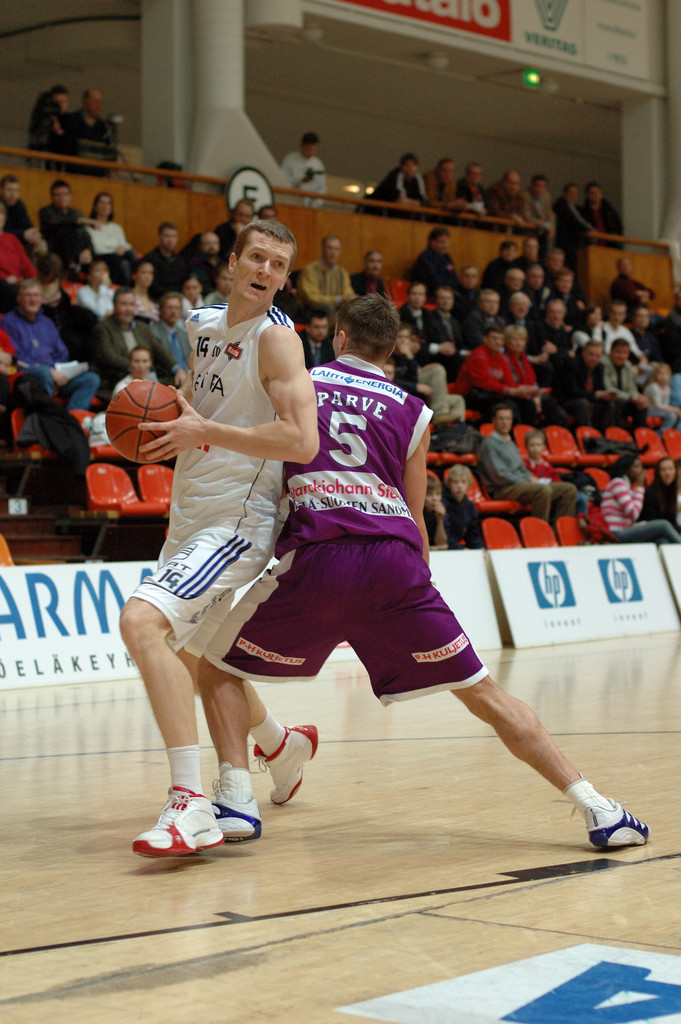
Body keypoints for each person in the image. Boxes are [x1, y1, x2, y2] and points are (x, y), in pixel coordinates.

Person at [192, 295, 647, 853]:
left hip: (319, 556)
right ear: (390, 351)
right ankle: (598, 807)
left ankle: (237, 800)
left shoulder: (298, 383)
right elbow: (414, 512)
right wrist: (414, 581)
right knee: (485, 694)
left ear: (339, 338)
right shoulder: (413, 409)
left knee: (215, 668)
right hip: (395, 564)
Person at [118, 220, 320, 857]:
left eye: (279, 265)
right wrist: (167, 419)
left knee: (143, 624)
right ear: (232, 263)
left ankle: (190, 803)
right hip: (189, 516)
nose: (266, 271)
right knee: (199, 657)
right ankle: (282, 747)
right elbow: (205, 406)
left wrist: (205, 433)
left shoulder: (278, 340)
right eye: (257, 257)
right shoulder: (201, 326)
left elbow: (302, 440)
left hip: (236, 522)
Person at [1, 280, 100, 410]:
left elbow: (62, 352)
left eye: (36, 295)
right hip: (27, 372)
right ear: (18, 298)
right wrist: (50, 372)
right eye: (28, 295)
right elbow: (15, 357)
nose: (33, 300)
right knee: (43, 373)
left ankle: (71, 418)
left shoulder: (47, 322)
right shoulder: (8, 322)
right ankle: (47, 417)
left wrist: (58, 372)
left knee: (91, 379)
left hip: (54, 373)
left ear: (41, 299)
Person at [478, 403, 576, 521]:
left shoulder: (510, 442)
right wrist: (527, 481)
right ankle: (540, 530)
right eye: (501, 419)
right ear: (493, 421)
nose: (505, 422)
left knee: (569, 490)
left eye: (508, 419)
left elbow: (521, 468)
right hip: (503, 489)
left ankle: (559, 529)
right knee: (542, 490)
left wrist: (531, 478)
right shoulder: (489, 444)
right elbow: (499, 476)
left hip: (520, 485)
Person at [91, 287, 180, 396]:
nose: (128, 309)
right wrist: (138, 366)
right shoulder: (103, 329)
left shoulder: (142, 327)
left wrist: (177, 368)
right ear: (114, 305)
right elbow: (109, 357)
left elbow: (160, 351)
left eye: (132, 304)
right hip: (118, 379)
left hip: (146, 376)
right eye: (124, 304)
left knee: (178, 382)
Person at [600, 454, 681, 545]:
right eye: (637, 467)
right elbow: (633, 514)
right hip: (616, 532)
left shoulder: (627, 487)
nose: (641, 471)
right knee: (663, 525)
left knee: (662, 541)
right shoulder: (618, 483)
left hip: (626, 529)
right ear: (627, 469)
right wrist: (640, 487)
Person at [296, 234, 354, 320]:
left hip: (336, 310)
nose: (333, 253)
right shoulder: (310, 270)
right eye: (330, 248)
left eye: (336, 249)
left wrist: (350, 298)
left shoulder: (342, 272)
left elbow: (347, 293)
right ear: (323, 249)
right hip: (311, 311)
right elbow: (312, 298)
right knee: (328, 307)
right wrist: (338, 299)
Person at [39, 179, 93, 272]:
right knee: (66, 229)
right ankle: (72, 265)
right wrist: (77, 221)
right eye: (58, 195)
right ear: (52, 197)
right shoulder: (46, 211)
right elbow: (55, 223)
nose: (62, 198)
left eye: (65, 194)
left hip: (77, 249)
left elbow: (85, 236)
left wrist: (87, 249)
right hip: (55, 246)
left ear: (70, 196)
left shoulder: (76, 214)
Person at [85, 191, 135, 284]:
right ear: (95, 206)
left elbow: (124, 245)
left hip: (117, 256)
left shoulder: (117, 228)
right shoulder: (89, 228)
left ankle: (134, 285)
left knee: (131, 254)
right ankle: (122, 286)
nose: (105, 206)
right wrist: (115, 250)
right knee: (115, 259)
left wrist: (122, 248)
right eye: (102, 203)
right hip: (102, 257)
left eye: (108, 203)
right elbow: (97, 249)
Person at [62, 88, 115, 175]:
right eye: (95, 102)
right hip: (75, 175)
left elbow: (110, 156)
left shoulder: (104, 127)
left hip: (98, 177)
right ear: (85, 101)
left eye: (100, 102)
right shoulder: (72, 120)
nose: (98, 105)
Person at [601, 338, 648, 429]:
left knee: (641, 405)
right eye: (618, 352)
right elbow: (608, 388)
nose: (621, 356)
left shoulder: (628, 366)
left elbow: (632, 388)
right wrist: (630, 397)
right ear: (611, 352)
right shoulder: (603, 364)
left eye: (624, 353)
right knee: (617, 403)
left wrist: (638, 397)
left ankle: (638, 434)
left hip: (624, 400)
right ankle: (615, 433)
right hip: (607, 400)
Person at [0, 199, 36, 313]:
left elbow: (27, 266)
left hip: (18, 284)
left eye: (0, 214)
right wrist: (4, 279)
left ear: (5, 217)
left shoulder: (12, 239)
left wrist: (35, 281)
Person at [0, 175, 47, 256]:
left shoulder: (18, 204)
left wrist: (34, 233)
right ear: (1, 190)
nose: (13, 194)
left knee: (41, 244)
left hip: (16, 239)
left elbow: (27, 225)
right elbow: (3, 231)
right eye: (9, 190)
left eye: (16, 190)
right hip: (4, 240)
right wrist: (23, 234)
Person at [441, 465, 483, 549]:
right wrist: (460, 549)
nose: (459, 486)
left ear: (469, 484)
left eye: (463, 482)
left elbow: (472, 533)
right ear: (449, 484)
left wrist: (479, 549)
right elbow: (445, 534)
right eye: (455, 482)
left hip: (457, 548)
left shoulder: (469, 506)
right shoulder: (442, 503)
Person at [281, 131, 327, 208]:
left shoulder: (318, 164)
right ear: (302, 146)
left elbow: (322, 188)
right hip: (291, 203)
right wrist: (301, 180)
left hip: (310, 206)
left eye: (313, 149)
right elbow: (283, 180)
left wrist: (314, 205)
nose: (310, 152)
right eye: (308, 149)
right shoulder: (290, 160)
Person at [142, 223, 188, 299]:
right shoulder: (150, 259)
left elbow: (183, 281)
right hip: (157, 298)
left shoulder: (179, 260)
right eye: (167, 236)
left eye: (173, 236)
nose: (170, 240)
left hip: (177, 297)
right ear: (159, 237)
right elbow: (153, 286)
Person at [410, 227, 460, 297]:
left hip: (447, 291)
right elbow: (434, 280)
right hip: (430, 293)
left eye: (447, 242)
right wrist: (448, 286)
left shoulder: (446, 257)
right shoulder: (425, 257)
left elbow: (453, 276)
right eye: (442, 242)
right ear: (432, 242)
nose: (445, 245)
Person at [552, 183, 592, 270]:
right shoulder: (563, 204)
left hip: (569, 242)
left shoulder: (574, 206)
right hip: (565, 241)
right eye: (571, 193)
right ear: (565, 193)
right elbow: (576, 220)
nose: (574, 196)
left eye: (576, 193)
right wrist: (591, 229)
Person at [150, 292, 192, 374]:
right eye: (169, 308)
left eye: (176, 308)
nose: (173, 311)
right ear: (161, 310)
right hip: (166, 376)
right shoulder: (153, 332)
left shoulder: (185, 334)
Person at [640, 456, 680, 529]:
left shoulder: (672, 490)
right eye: (663, 470)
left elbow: (672, 521)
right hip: (651, 529)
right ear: (658, 473)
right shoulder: (651, 491)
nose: (667, 473)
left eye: (670, 469)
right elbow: (652, 520)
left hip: (667, 530)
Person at [522, 174, 555, 257]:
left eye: (543, 186)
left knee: (544, 254)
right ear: (532, 186)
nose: (540, 189)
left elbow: (550, 214)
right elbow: (527, 216)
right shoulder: (526, 196)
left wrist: (551, 226)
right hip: (531, 230)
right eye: (538, 186)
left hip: (544, 232)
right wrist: (545, 225)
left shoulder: (547, 196)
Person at [643, 362, 681, 431]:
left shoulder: (667, 388)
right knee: (671, 416)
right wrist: (674, 409)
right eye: (660, 373)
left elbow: (665, 404)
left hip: (660, 411)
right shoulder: (653, 387)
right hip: (650, 410)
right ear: (655, 375)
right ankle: (661, 434)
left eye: (666, 374)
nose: (663, 376)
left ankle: (677, 434)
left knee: (678, 414)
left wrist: (675, 410)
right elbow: (658, 406)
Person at [130, 259, 159, 323]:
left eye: (150, 273)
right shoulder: (128, 296)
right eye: (143, 272)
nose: (147, 276)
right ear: (134, 275)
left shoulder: (154, 299)